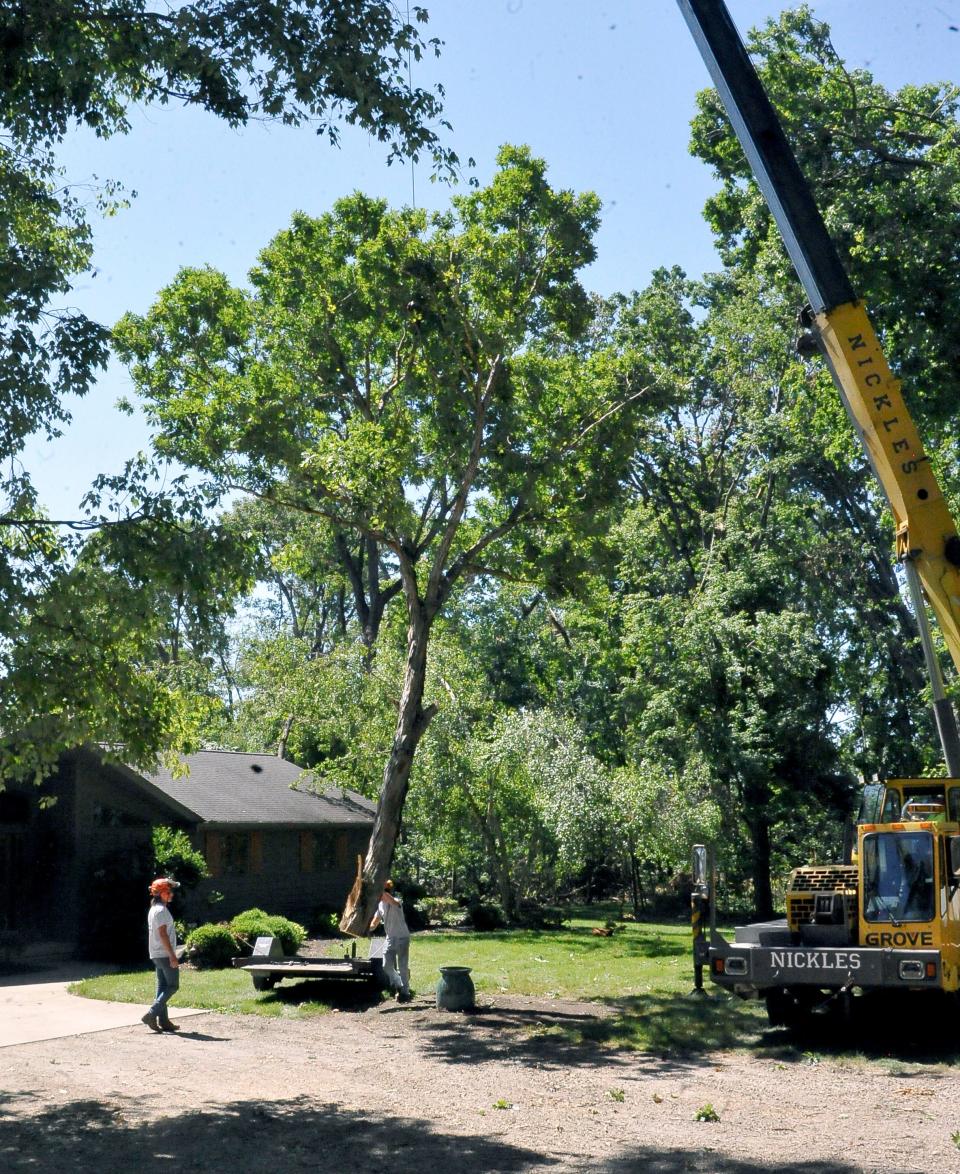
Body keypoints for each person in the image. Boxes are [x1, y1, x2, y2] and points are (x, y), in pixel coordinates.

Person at [142, 877, 182, 1033]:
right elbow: (163, 934)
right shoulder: (161, 910)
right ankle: (151, 1014)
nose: (171, 894)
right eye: (169, 891)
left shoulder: (154, 910)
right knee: (173, 986)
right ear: (163, 893)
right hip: (164, 954)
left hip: (156, 954)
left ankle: (164, 1021)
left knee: (162, 986)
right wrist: (172, 955)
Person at [370, 879, 411, 1002]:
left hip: (402, 937)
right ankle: (398, 981)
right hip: (390, 938)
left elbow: (389, 899)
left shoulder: (397, 902)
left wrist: (379, 888)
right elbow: (375, 921)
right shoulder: (380, 905)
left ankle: (405, 993)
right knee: (386, 965)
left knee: (403, 966)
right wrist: (367, 928)